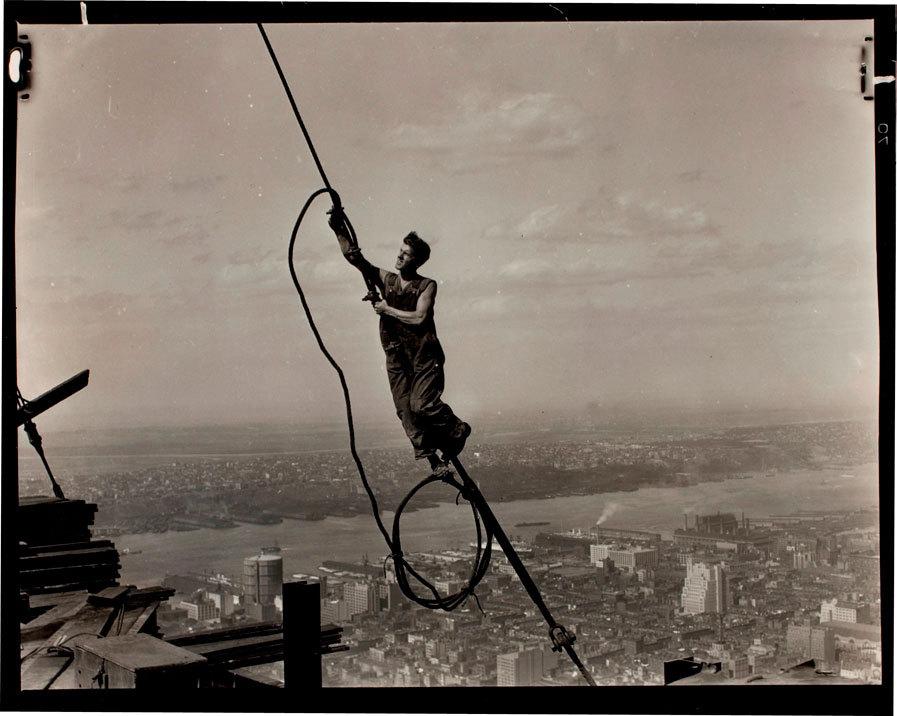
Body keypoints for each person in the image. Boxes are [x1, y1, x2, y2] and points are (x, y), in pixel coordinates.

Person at [328, 207, 471, 474]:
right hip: (396, 355)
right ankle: (434, 461)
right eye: (400, 250)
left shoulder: (426, 285)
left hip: (423, 355)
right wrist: (338, 229)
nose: (399, 256)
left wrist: (386, 310)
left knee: (423, 405)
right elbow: (356, 259)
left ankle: (457, 429)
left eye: (406, 254)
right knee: (406, 410)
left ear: (416, 261)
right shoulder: (388, 280)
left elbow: (420, 318)